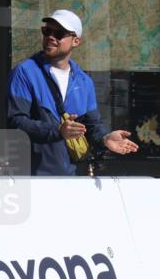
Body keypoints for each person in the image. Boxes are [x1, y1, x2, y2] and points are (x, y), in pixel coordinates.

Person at [7, 10, 138, 175]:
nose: (51, 37)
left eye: (59, 33)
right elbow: (15, 122)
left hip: (73, 178)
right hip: (33, 178)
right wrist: (58, 130)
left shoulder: (84, 82)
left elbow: (92, 126)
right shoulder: (24, 72)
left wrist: (105, 139)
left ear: (76, 41)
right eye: (47, 31)